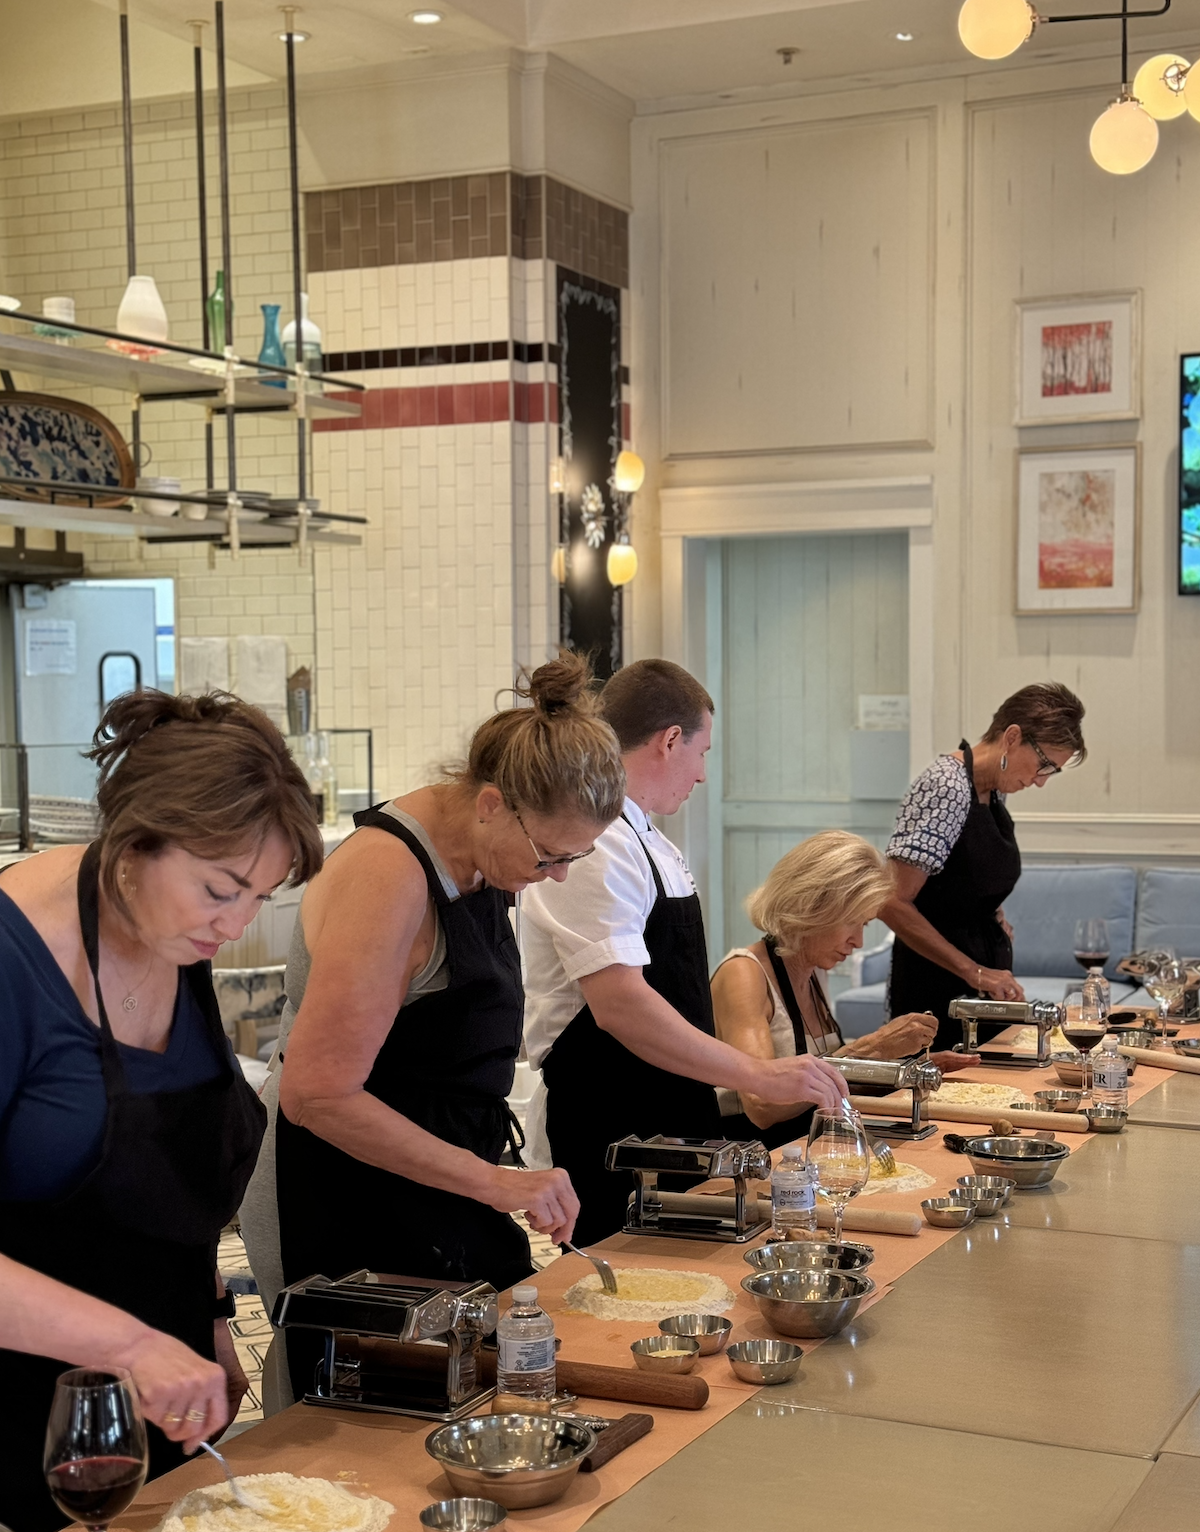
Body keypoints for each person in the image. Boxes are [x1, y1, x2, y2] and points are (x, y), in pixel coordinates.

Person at [241, 654, 626, 1402]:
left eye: (575, 857)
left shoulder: (485, 858)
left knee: (478, 1381)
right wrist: (493, 1182)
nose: (558, 876)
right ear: (490, 804)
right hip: (337, 1186)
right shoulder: (387, 877)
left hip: (432, 1171)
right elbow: (318, 1095)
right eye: (551, 855)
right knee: (361, 1412)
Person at [0, 690, 323, 1532]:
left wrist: (209, 1320)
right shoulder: (12, 959)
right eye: (221, 889)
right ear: (133, 841)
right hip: (20, 1420)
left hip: (161, 1399)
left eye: (261, 895)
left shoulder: (172, 933)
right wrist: (133, 1347)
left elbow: (158, 1186)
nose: (238, 923)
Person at [521, 659, 848, 1246]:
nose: (701, 776)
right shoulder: (598, 842)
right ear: (670, 740)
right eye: (702, 753)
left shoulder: (648, 839)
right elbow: (620, 1006)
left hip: (672, 1108)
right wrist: (759, 1073)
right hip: (613, 1125)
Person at [711, 831, 978, 1148]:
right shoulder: (744, 973)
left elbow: (831, 1088)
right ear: (812, 908)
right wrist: (870, 1049)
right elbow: (763, 1107)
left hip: (809, 1152)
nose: (859, 942)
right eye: (852, 922)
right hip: (755, 1162)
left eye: (864, 924)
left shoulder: (813, 972)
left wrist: (903, 1071)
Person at [882, 682, 1086, 1050]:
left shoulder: (992, 788)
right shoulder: (946, 786)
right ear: (1012, 737)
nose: (1040, 781)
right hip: (937, 990)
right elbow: (891, 901)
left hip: (977, 987)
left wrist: (990, 911)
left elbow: (958, 874)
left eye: (1051, 772)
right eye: (1043, 765)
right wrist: (973, 970)